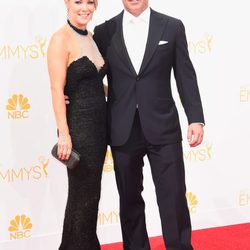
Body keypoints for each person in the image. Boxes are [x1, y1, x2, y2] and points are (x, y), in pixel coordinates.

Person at [93, 0, 205, 249]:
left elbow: (185, 75)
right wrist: (70, 91)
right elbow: (92, 76)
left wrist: (195, 118)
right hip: (122, 129)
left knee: (173, 197)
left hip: (163, 126)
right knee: (129, 200)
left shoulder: (172, 27)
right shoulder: (104, 32)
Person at [47, 0, 107, 249]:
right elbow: (56, 89)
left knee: (90, 196)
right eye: (78, 1)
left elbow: (93, 84)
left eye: (90, 2)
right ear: (67, 3)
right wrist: (64, 134)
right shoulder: (60, 39)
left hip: (100, 128)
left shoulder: (92, 37)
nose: (85, 8)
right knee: (81, 196)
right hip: (78, 129)